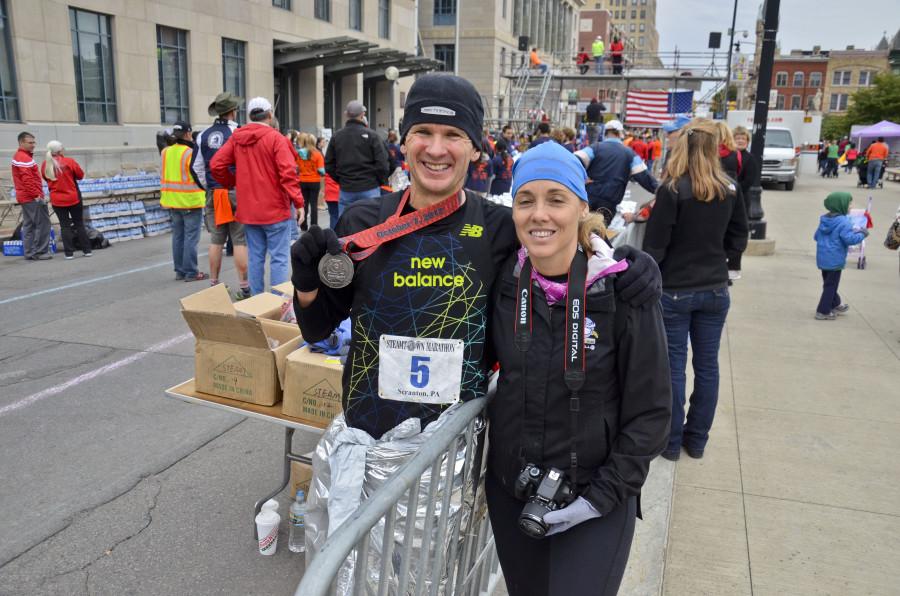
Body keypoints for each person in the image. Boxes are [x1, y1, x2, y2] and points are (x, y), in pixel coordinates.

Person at [289, 73, 661, 440]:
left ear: (475, 149)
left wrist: (628, 265)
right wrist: (306, 286)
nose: (436, 149)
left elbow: (566, 262)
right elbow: (317, 329)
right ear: (404, 143)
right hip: (368, 434)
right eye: (423, 132)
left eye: (453, 135)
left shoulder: (501, 227)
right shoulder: (363, 222)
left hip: (455, 447)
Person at [486, 141, 671, 596]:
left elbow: (652, 413)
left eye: (556, 199)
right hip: (514, 492)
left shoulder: (622, 290)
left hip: (596, 498)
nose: (539, 214)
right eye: (526, 200)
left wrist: (601, 498)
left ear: (582, 207)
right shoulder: (504, 280)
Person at [643, 118, 749, 461]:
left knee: (673, 367)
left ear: (684, 147)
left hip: (676, 287)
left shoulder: (674, 189)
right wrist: (724, 260)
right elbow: (740, 236)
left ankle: (671, 443)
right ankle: (697, 439)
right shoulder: (729, 188)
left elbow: (656, 245)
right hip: (715, 287)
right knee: (708, 367)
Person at [210, 96, 304, 295]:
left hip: (249, 211)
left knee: (256, 257)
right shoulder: (276, 139)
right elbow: (288, 172)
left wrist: (231, 182)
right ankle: (278, 304)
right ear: (270, 114)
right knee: (279, 258)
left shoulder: (237, 137)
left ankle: (257, 303)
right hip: (276, 209)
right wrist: (298, 202)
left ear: (250, 116)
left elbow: (216, 165)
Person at [190, 91, 250, 296]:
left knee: (216, 240)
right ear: (233, 111)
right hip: (236, 191)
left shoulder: (203, 135)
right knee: (240, 240)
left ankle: (214, 283)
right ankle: (244, 286)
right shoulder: (239, 132)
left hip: (214, 193)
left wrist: (209, 187)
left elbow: (195, 167)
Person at [574, 119, 658, 224]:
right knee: (598, 235)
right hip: (610, 200)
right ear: (620, 133)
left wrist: (581, 178)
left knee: (580, 230)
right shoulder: (629, 154)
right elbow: (644, 177)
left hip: (588, 197)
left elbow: (574, 159)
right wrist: (660, 191)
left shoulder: (596, 147)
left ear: (605, 133)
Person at [325, 100, 390, 216]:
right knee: (370, 225)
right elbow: (383, 163)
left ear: (346, 115)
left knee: (345, 225)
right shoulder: (372, 135)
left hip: (347, 188)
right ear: (362, 115)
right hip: (369, 187)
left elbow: (329, 164)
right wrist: (378, 181)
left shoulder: (337, 136)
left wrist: (341, 180)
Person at [161, 121, 207, 281]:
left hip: (172, 201)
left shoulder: (166, 152)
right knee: (190, 238)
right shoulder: (190, 153)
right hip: (190, 200)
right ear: (188, 134)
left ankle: (180, 270)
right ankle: (191, 272)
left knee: (178, 236)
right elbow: (199, 174)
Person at [813, 192, 867, 320]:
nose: (851, 207)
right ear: (840, 205)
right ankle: (823, 311)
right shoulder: (844, 222)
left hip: (822, 258)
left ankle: (835, 303)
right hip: (835, 259)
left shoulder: (824, 219)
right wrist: (862, 234)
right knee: (831, 285)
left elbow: (816, 236)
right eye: (849, 204)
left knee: (828, 283)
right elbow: (849, 240)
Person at [40, 141, 90, 259]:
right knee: (79, 224)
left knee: (64, 226)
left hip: (57, 199)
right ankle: (87, 250)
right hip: (73, 197)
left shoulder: (45, 164)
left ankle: (69, 253)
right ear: (60, 150)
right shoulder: (69, 161)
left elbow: (46, 179)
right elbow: (80, 175)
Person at [12, 131, 53, 261]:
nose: (33, 145)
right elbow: (28, 180)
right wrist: (37, 195)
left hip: (25, 197)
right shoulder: (23, 158)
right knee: (43, 224)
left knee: (29, 225)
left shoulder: (21, 156)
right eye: (30, 142)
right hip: (31, 197)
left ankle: (30, 252)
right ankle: (40, 252)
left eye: (33, 142)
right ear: (21, 142)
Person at [727, 125, 760, 280]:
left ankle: (734, 266)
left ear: (747, 141)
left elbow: (749, 180)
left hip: (741, 200)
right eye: (737, 138)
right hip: (726, 199)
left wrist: (735, 190)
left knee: (737, 232)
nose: (740, 140)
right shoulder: (728, 156)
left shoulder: (750, 159)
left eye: (743, 138)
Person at [295, 132, 325, 231]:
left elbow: (296, 168)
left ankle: (303, 226)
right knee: (314, 204)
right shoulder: (318, 154)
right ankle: (314, 226)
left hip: (302, 181)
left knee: (304, 204)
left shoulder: (299, 154)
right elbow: (321, 171)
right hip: (314, 181)